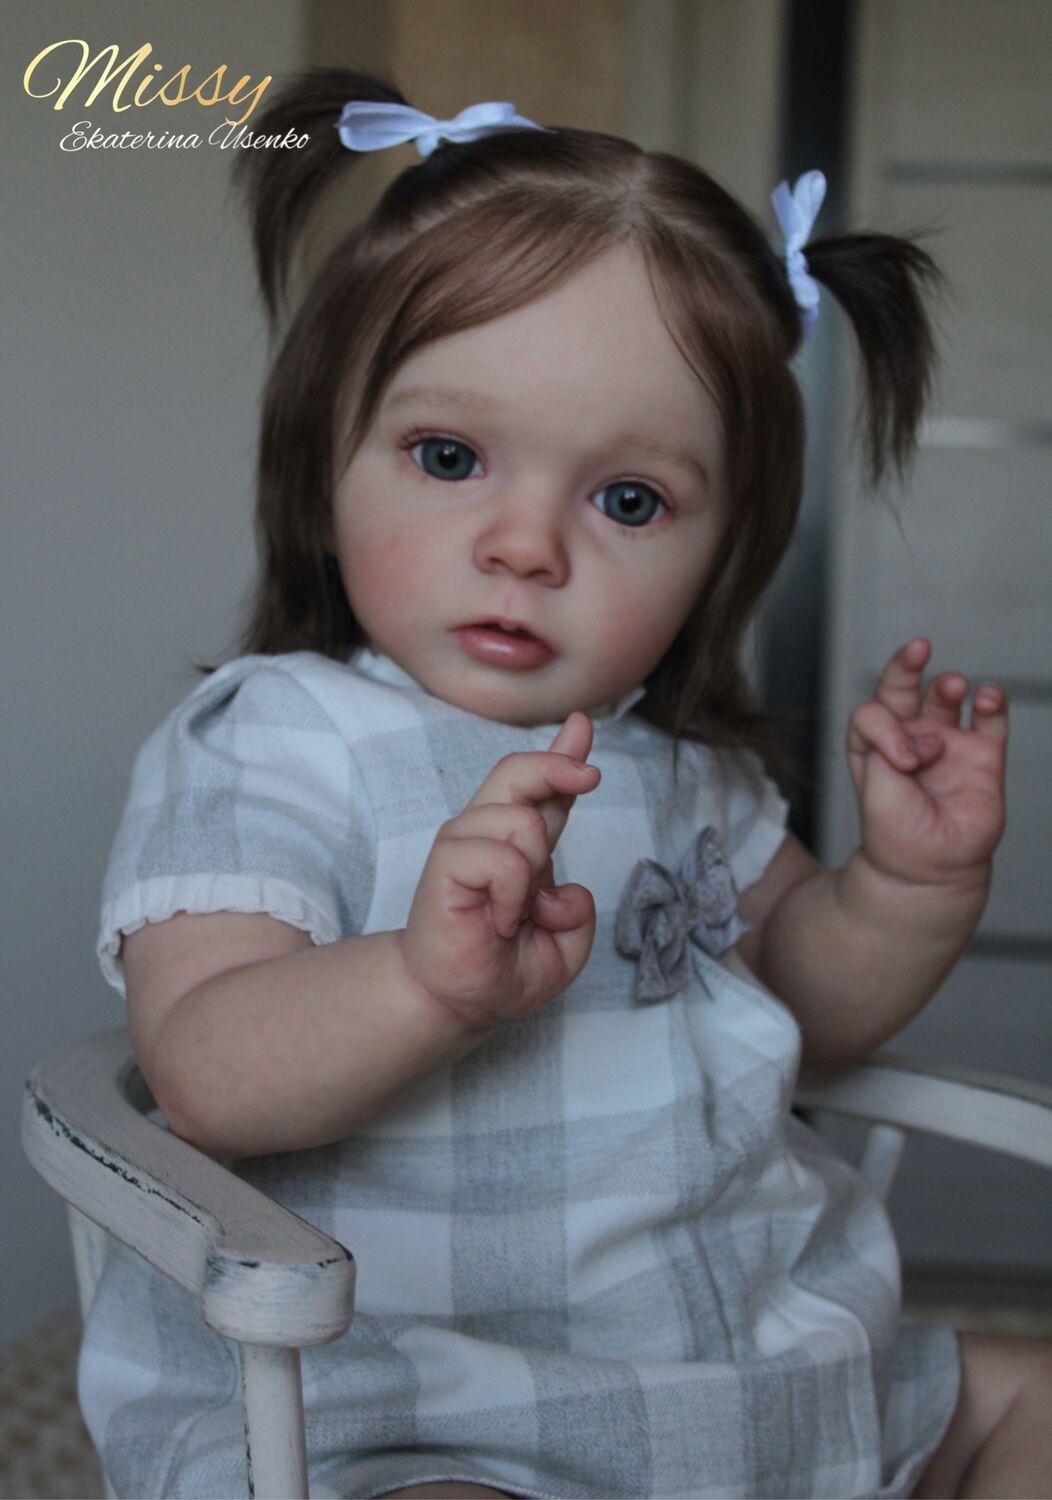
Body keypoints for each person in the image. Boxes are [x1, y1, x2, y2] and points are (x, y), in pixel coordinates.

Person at [77, 68, 1051, 1500]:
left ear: (723, 556)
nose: (528, 544)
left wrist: (911, 882)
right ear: (323, 468)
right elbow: (205, 1071)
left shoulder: (694, 773)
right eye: (450, 457)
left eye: (629, 499)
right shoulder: (276, 738)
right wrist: (419, 983)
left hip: (751, 1373)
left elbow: (818, 1002)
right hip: (416, 1410)